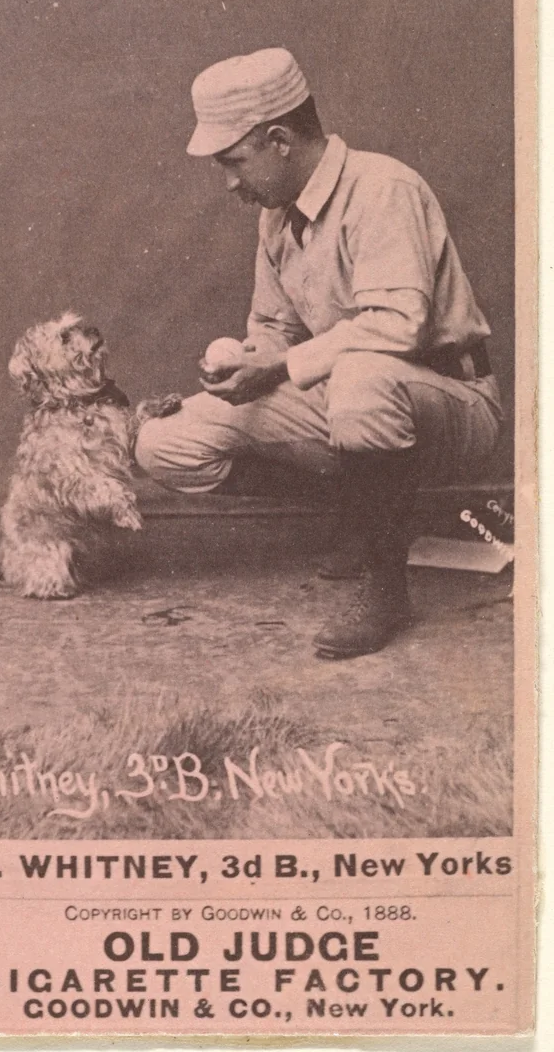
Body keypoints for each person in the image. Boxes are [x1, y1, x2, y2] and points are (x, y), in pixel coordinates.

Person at [135, 47, 503, 658]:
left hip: (451, 403)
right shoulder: (277, 217)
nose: (229, 183)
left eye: (234, 161)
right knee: (164, 443)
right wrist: (246, 364)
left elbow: (398, 326)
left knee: (362, 379)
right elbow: (277, 326)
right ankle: (369, 514)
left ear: (279, 138)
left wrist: (278, 366)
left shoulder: (382, 187)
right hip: (353, 400)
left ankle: (386, 588)